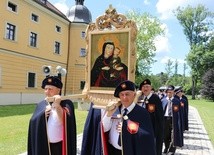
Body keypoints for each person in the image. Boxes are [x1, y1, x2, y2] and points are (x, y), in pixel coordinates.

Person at [102, 80, 156, 155]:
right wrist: (108, 114)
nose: (124, 97)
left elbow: (147, 137)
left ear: (134, 95)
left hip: (131, 151)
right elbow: (104, 128)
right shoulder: (114, 109)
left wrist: (126, 128)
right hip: (112, 150)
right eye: (122, 94)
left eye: (127, 94)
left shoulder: (142, 112)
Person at [27, 75, 76, 155]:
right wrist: (41, 116)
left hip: (60, 146)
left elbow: (66, 121)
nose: (47, 91)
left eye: (50, 89)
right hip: (44, 145)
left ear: (58, 90)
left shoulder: (66, 103)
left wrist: (57, 105)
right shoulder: (41, 104)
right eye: (45, 89)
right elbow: (33, 122)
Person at [138, 79, 164, 155]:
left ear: (151, 88)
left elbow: (159, 116)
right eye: (143, 87)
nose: (145, 88)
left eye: (147, 86)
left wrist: (158, 130)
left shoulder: (155, 98)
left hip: (153, 128)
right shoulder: (139, 98)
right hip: (141, 128)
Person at [162, 85, 183, 155]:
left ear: (173, 92)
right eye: (168, 92)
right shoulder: (163, 100)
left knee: (173, 135)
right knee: (165, 135)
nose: (169, 94)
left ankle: (172, 150)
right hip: (165, 119)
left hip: (174, 120)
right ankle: (166, 147)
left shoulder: (177, 101)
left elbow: (180, 113)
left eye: (170, 92)